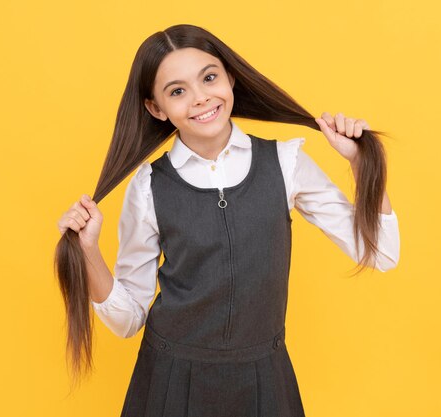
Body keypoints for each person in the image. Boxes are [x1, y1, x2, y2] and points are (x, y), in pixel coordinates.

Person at [55, 24, 400, 416]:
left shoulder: (286, 163)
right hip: (170, 381)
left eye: (209, 77)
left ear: (230, 78)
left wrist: (359, 163)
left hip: (264, 379)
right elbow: (127, 320)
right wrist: (88, 253)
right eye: (178, 91)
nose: (201, 98)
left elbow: (382, 254)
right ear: (156, 108)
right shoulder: (149, 186)